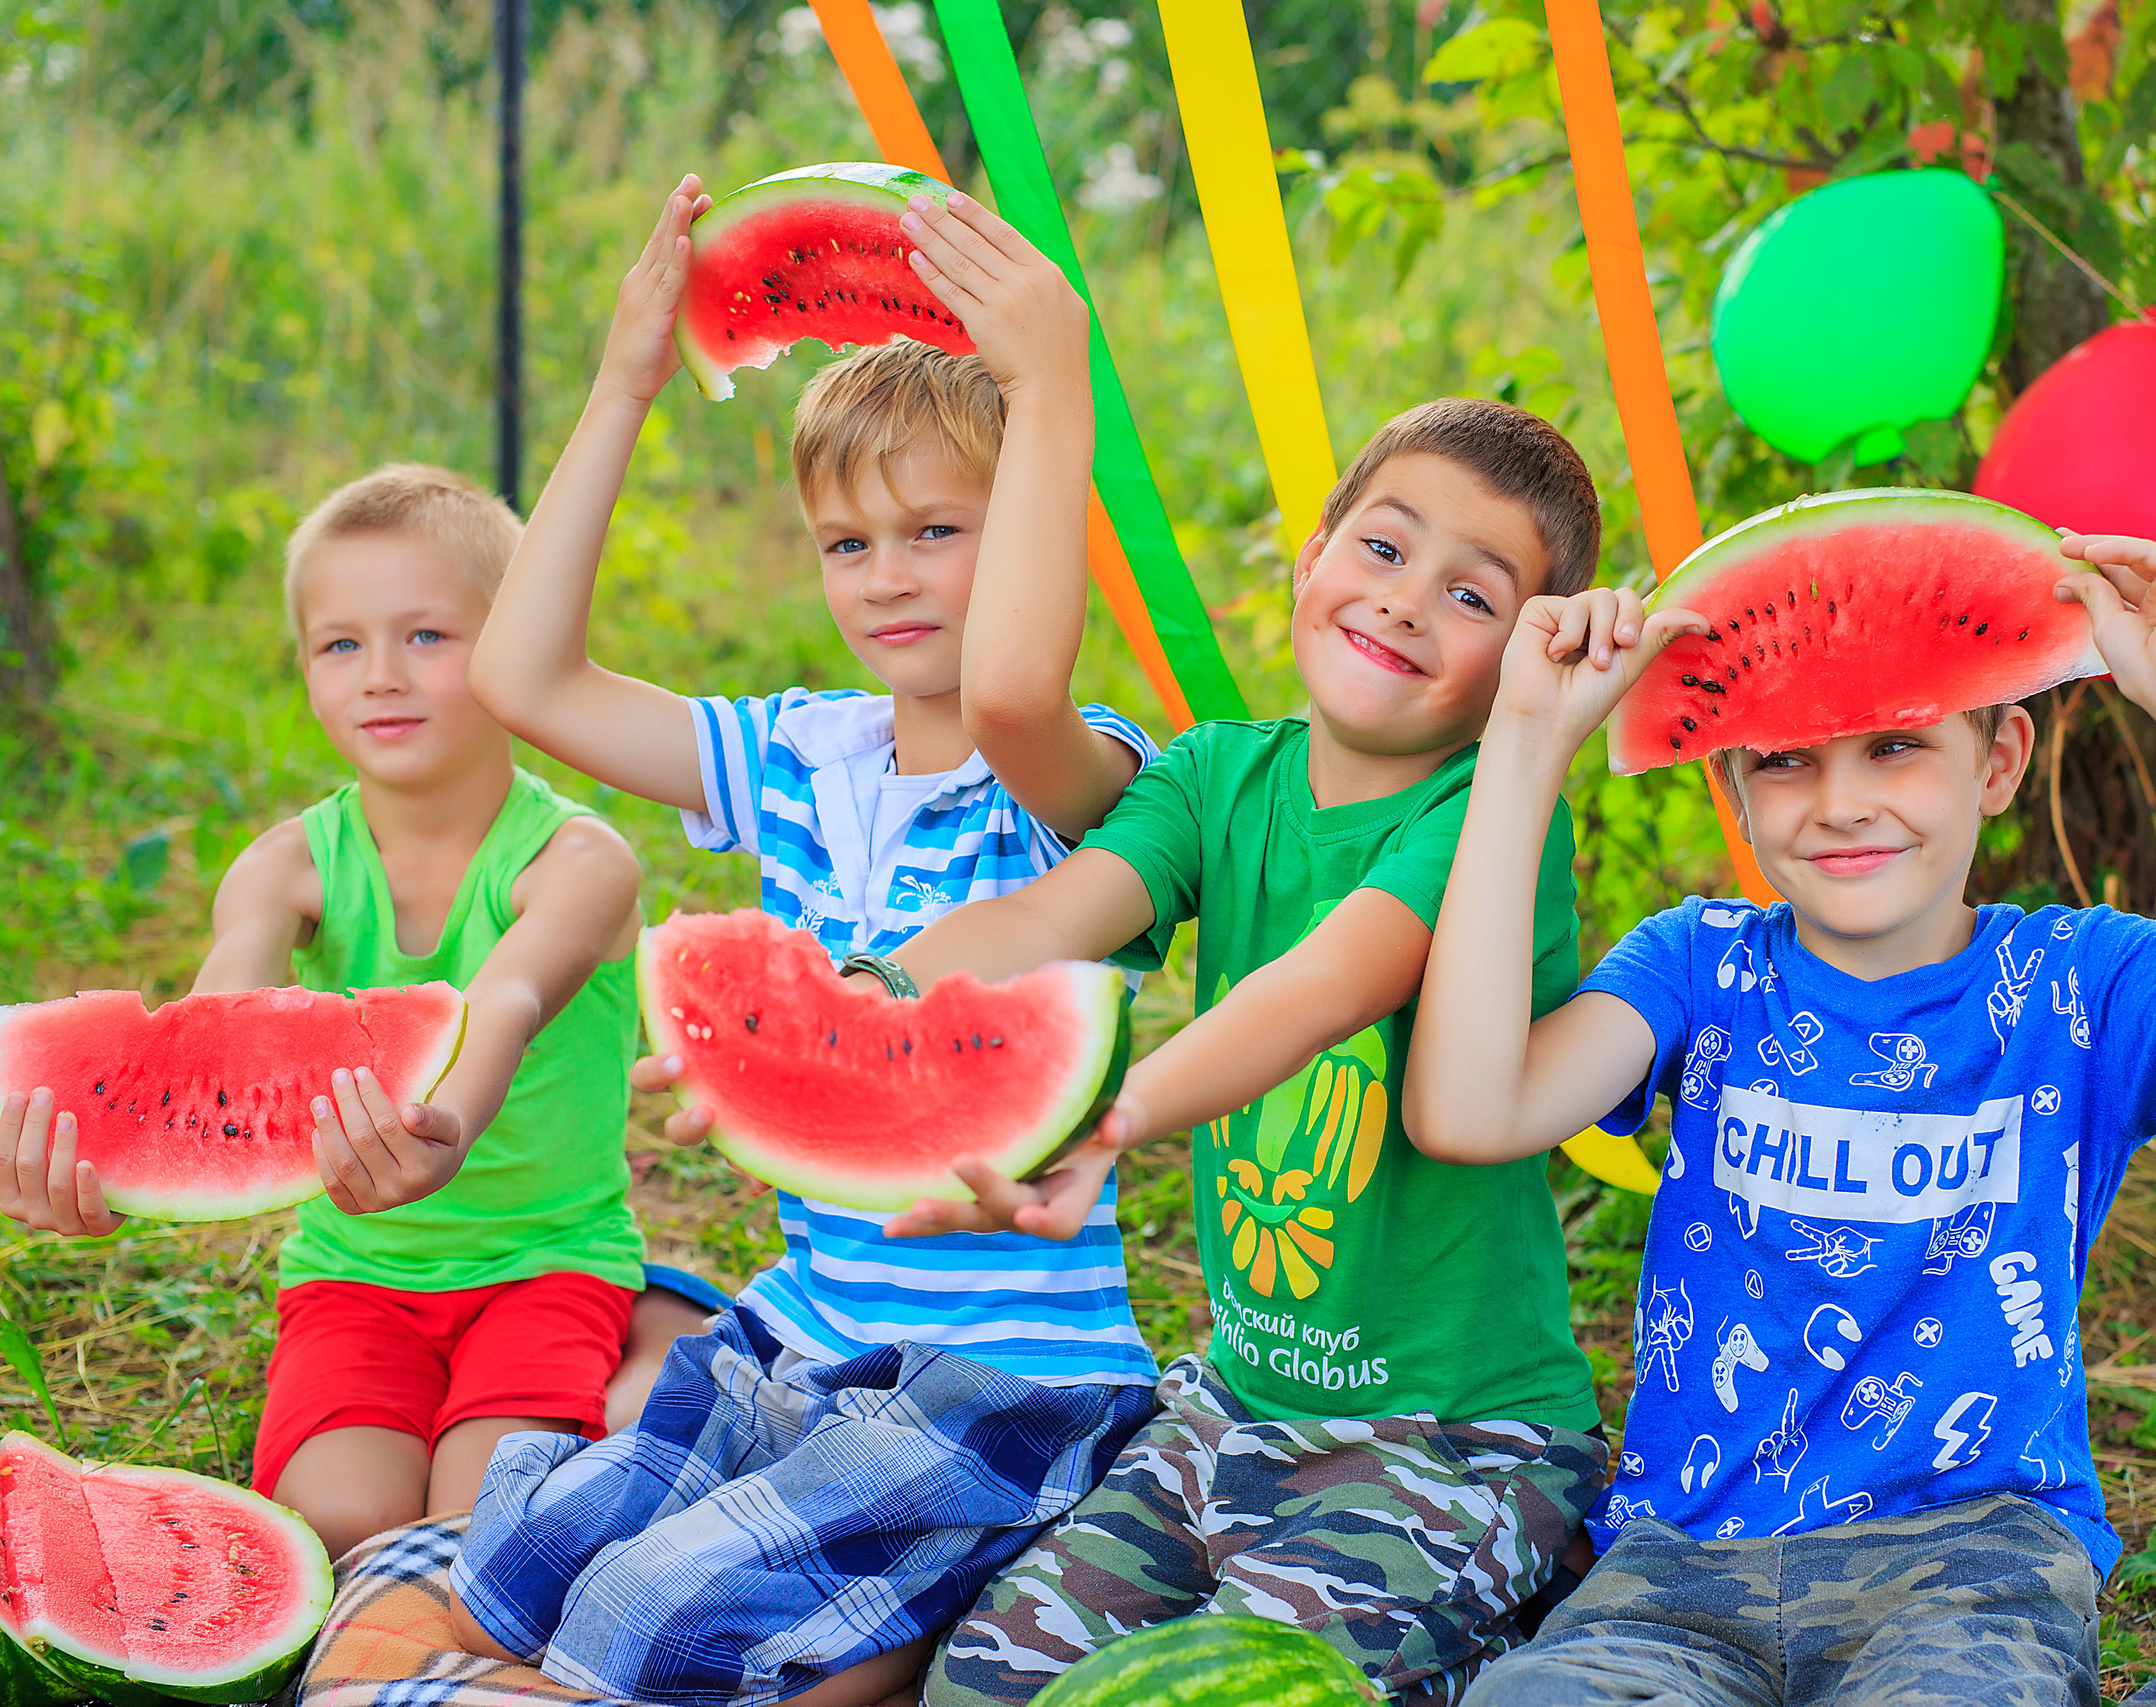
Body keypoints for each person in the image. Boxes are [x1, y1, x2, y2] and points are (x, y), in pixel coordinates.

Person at [1401, 531, 2156, 1706]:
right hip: (1676, 1571)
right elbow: (1468, 1112)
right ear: (1731, 790)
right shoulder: (1693, 966)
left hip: (1966, 1566)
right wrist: (1526, 739)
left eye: (1896, 743)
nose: (1842, 804)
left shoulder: (2082, 983)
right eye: (1784, 760)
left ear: (1998, 760)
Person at [449, 177, 1161, 1707]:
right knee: (512, 1568)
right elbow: (525, 678)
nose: (885, 575)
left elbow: (1017, 689)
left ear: (1033, 532)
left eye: (936, 531)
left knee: (648, 1626)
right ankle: (877, 1595)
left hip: (1003, 1374)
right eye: (847, 543)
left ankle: (968, 1602)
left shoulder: (1083, 778)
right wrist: (624, 382)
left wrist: (1053, 387)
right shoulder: (796, 754)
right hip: (806, 1328)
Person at [869, 395, 1620, 1707]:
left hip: (1454, 1436)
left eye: (1471, 595)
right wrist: (865, 996)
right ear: (1311, 557)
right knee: (984, 1684)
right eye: (1382, 548)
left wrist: (1110, 1123)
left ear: (1526, 658)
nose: (1404, 602)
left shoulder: (1488, 818)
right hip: (1232, 1404)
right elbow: (1050, 916)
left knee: (1256, 1690)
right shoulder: (1215, 777)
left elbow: (1323, 986)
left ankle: (1502, 1617)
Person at [0, 463, 661, 1563]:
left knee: (487, 1518)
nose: (381, 676)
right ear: (305, 668)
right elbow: (201, 1047)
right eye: (340, 645)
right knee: (347, 1521)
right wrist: (109, 1169)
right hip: (352, 1281)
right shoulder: (285, 868)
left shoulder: (580, 861)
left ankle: (654, 1336)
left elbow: (503, 999)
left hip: (550, 1266)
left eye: (428, 636)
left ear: (511, 649)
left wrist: (442, 1131)